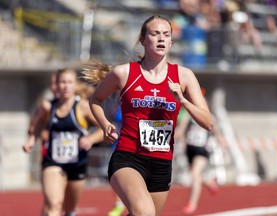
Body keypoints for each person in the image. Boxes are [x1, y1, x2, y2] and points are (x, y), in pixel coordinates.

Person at [83, 15, 213, 216]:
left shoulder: (184, 76)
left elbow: (208, 122)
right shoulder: (124, 73)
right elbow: (95, 100)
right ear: (143, 40)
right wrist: (105, 124)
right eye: (155, 33)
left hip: (161, 163)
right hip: (128, 158)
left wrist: (183, 100)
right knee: (145, 213)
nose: (161, 38)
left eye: (166, 34)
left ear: (171, 41)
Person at [23, 68, 103, 216]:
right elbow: (36, 125)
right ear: (56, 85)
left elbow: (103, 129)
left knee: (70, 210)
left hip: (77, 164)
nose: (66, 86)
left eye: (70, 82)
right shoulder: (48, 106)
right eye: (62, 82)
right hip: (53, 162)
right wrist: (31, 140)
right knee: (54, 204)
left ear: (75, 85)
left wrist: (90, 139)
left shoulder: (83, 107)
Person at [175, 95, 223, 214]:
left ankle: (192, 203)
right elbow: (181, 130)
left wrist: (221, 140)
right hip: (190, 149)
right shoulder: (188, 115)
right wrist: (179, 137)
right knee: (195, 175)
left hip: (202, 149)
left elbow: (215, 131)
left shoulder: (210, 117)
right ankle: (208, 181)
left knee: (194, 173)